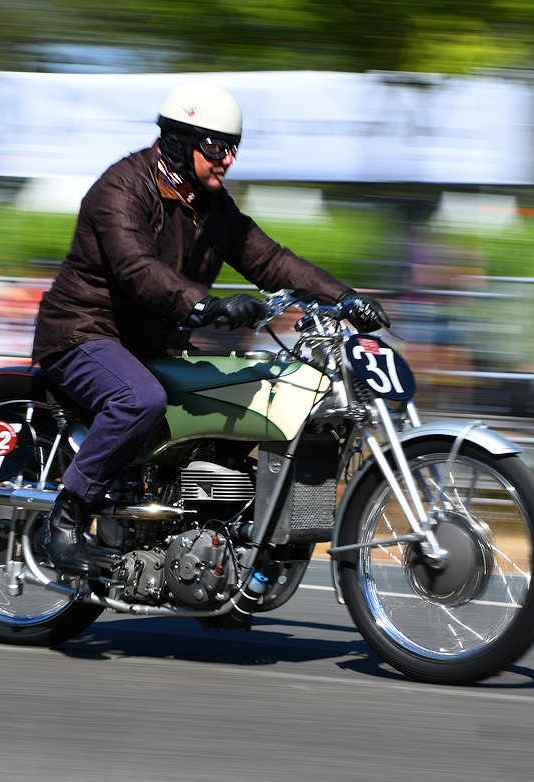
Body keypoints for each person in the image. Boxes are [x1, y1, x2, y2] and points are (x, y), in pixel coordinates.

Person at [31, 83, 389, 576]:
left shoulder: (212, 205)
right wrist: (204, 306)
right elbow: (136, 268)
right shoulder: (121, 188)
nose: (228, 161)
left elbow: (271, 260)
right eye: (218, 148)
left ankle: (218, 549)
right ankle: (66, 520)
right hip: (84, 333)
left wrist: (345, 298)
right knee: (139, 400)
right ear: (179, 142)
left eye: (233, 149)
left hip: (151, 342)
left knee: (246, 392)